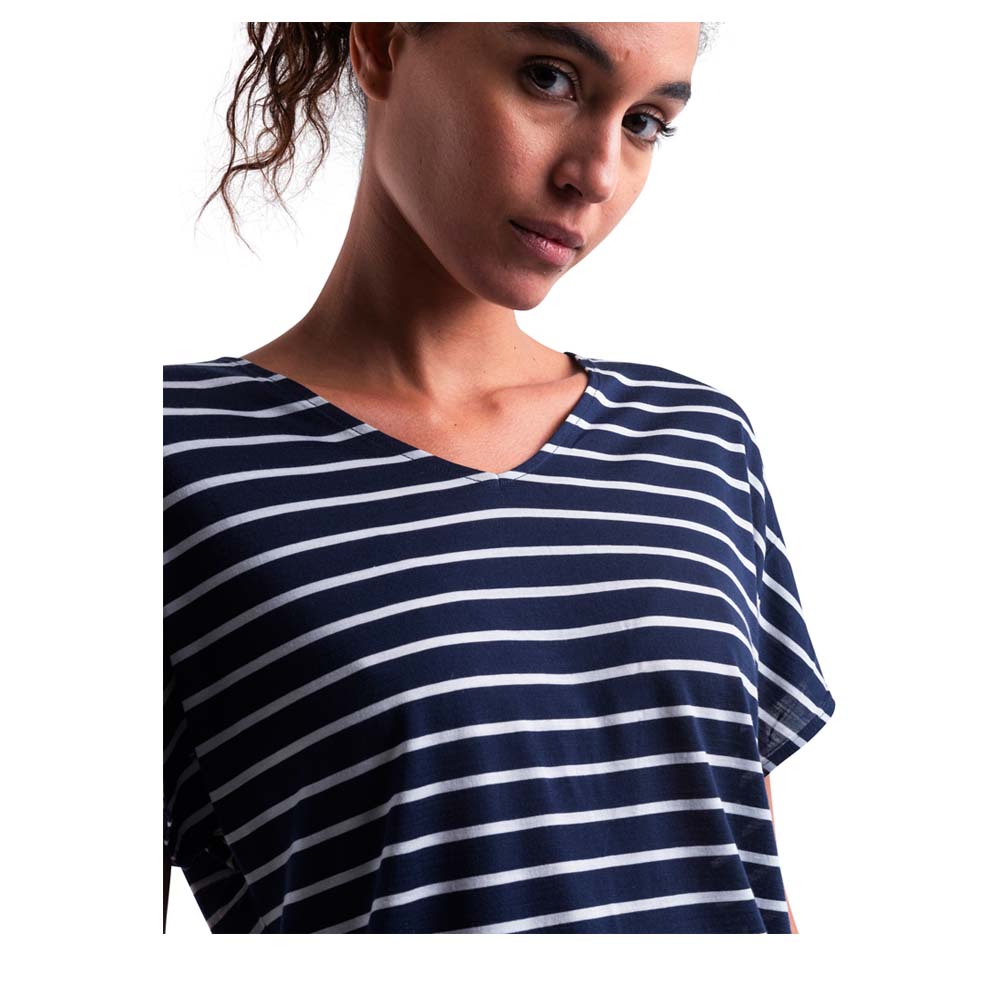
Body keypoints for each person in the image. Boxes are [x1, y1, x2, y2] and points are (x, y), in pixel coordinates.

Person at [164, 22, 835, 934]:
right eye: (550, 78)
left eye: (644, 122)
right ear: (382, 43)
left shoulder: (696, 445)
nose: (595, 175)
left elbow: (745, 876)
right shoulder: (163, 462)